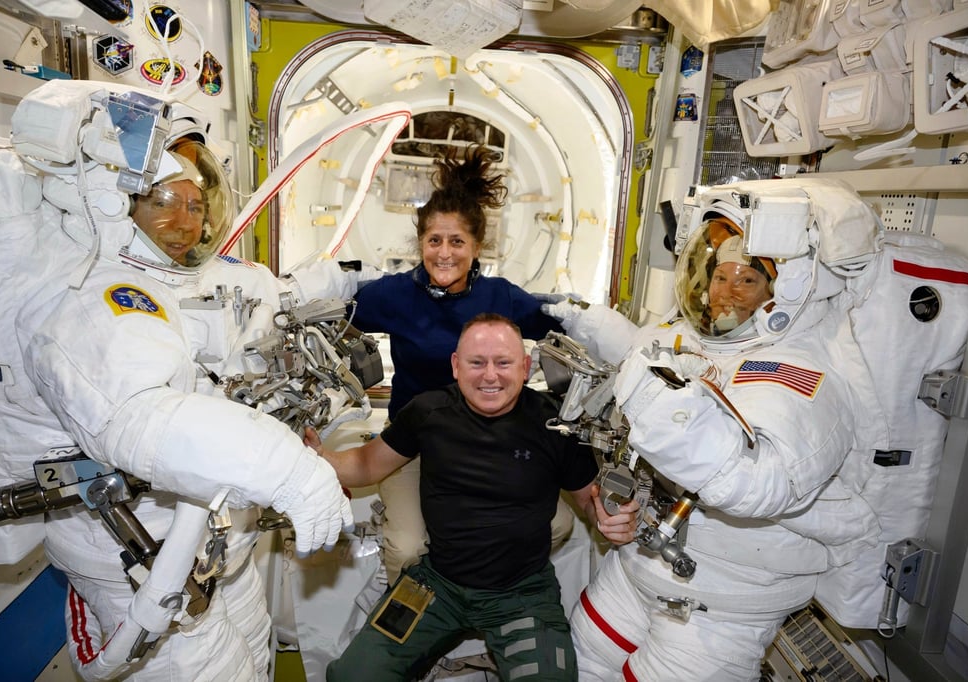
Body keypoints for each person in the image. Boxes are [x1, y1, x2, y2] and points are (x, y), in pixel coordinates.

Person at [0, 80, 385, 680]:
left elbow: (280, 291)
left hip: (215, 555)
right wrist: (289, 472)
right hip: (145, 566)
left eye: (196, 204)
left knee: (255, 662)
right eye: (163, 200)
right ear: (116, 201)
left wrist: (360, 281)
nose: (184, 222)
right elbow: (142, 417)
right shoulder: (93, 297)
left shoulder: (191, 277)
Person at [540, 178, 884, 680]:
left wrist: (661, 412)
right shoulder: (687, 335)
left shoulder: (799, 373)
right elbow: (642, 354)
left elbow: (761, 484)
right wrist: (587, 321)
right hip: (642, 563)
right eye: (721, 277)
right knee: (580, 664)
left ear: (779, 291)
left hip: (720, 598)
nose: (727, 292)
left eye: (747, 280)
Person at [314, 313, 638, 681]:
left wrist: (609, 519)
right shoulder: (428, 411)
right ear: (456, 365)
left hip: (521, 595)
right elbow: (366, 465)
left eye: (503, 363)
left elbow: (587, 498)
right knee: (351, 677)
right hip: (437, 587)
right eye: (476, 363)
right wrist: (314, 456)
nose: (490, 375)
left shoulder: (555, 425)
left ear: (525, 366)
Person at [346, 144, 570, 585]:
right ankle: (414, 633)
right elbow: (334, 310)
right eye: (434, 240)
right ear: (420, 243)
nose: (444, 253)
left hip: (489, 442)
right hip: (413, 444)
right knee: (408, 548)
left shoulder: (501, 298)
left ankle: (487, 605)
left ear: (476, 247)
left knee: (557, 524)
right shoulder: (392, 295)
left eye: (456, 241)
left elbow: (561, 324)